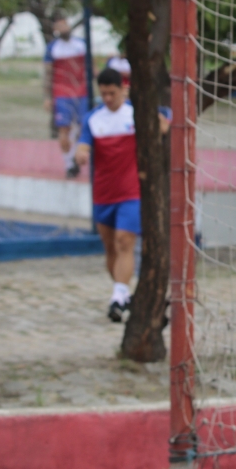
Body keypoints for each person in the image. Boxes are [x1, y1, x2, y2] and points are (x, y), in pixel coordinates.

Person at [73, 67, 170, 322]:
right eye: (103, 93)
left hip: (131, 192)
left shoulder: (135, 114)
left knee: (124, 241)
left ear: (122, 90)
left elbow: (163, 125)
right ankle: (122, 293)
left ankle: (117, 297)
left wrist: (162, 121)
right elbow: (82, 145)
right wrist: (81, 154)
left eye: (111, 93)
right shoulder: (94, 119)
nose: (107, 98)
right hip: (104, 194)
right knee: (111, 250)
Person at [43, 14, 89, 177]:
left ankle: (76, 158)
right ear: (55, 29)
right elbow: (48, 74)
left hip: (82, 92)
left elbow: (92, 68)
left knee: (82, 127)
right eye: (59, 25)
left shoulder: (81, 44)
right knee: (64, 131)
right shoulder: (52, 48)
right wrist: (47, 97)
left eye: (65, 24)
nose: (64, 27)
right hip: (62, 93)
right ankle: (69, 163)